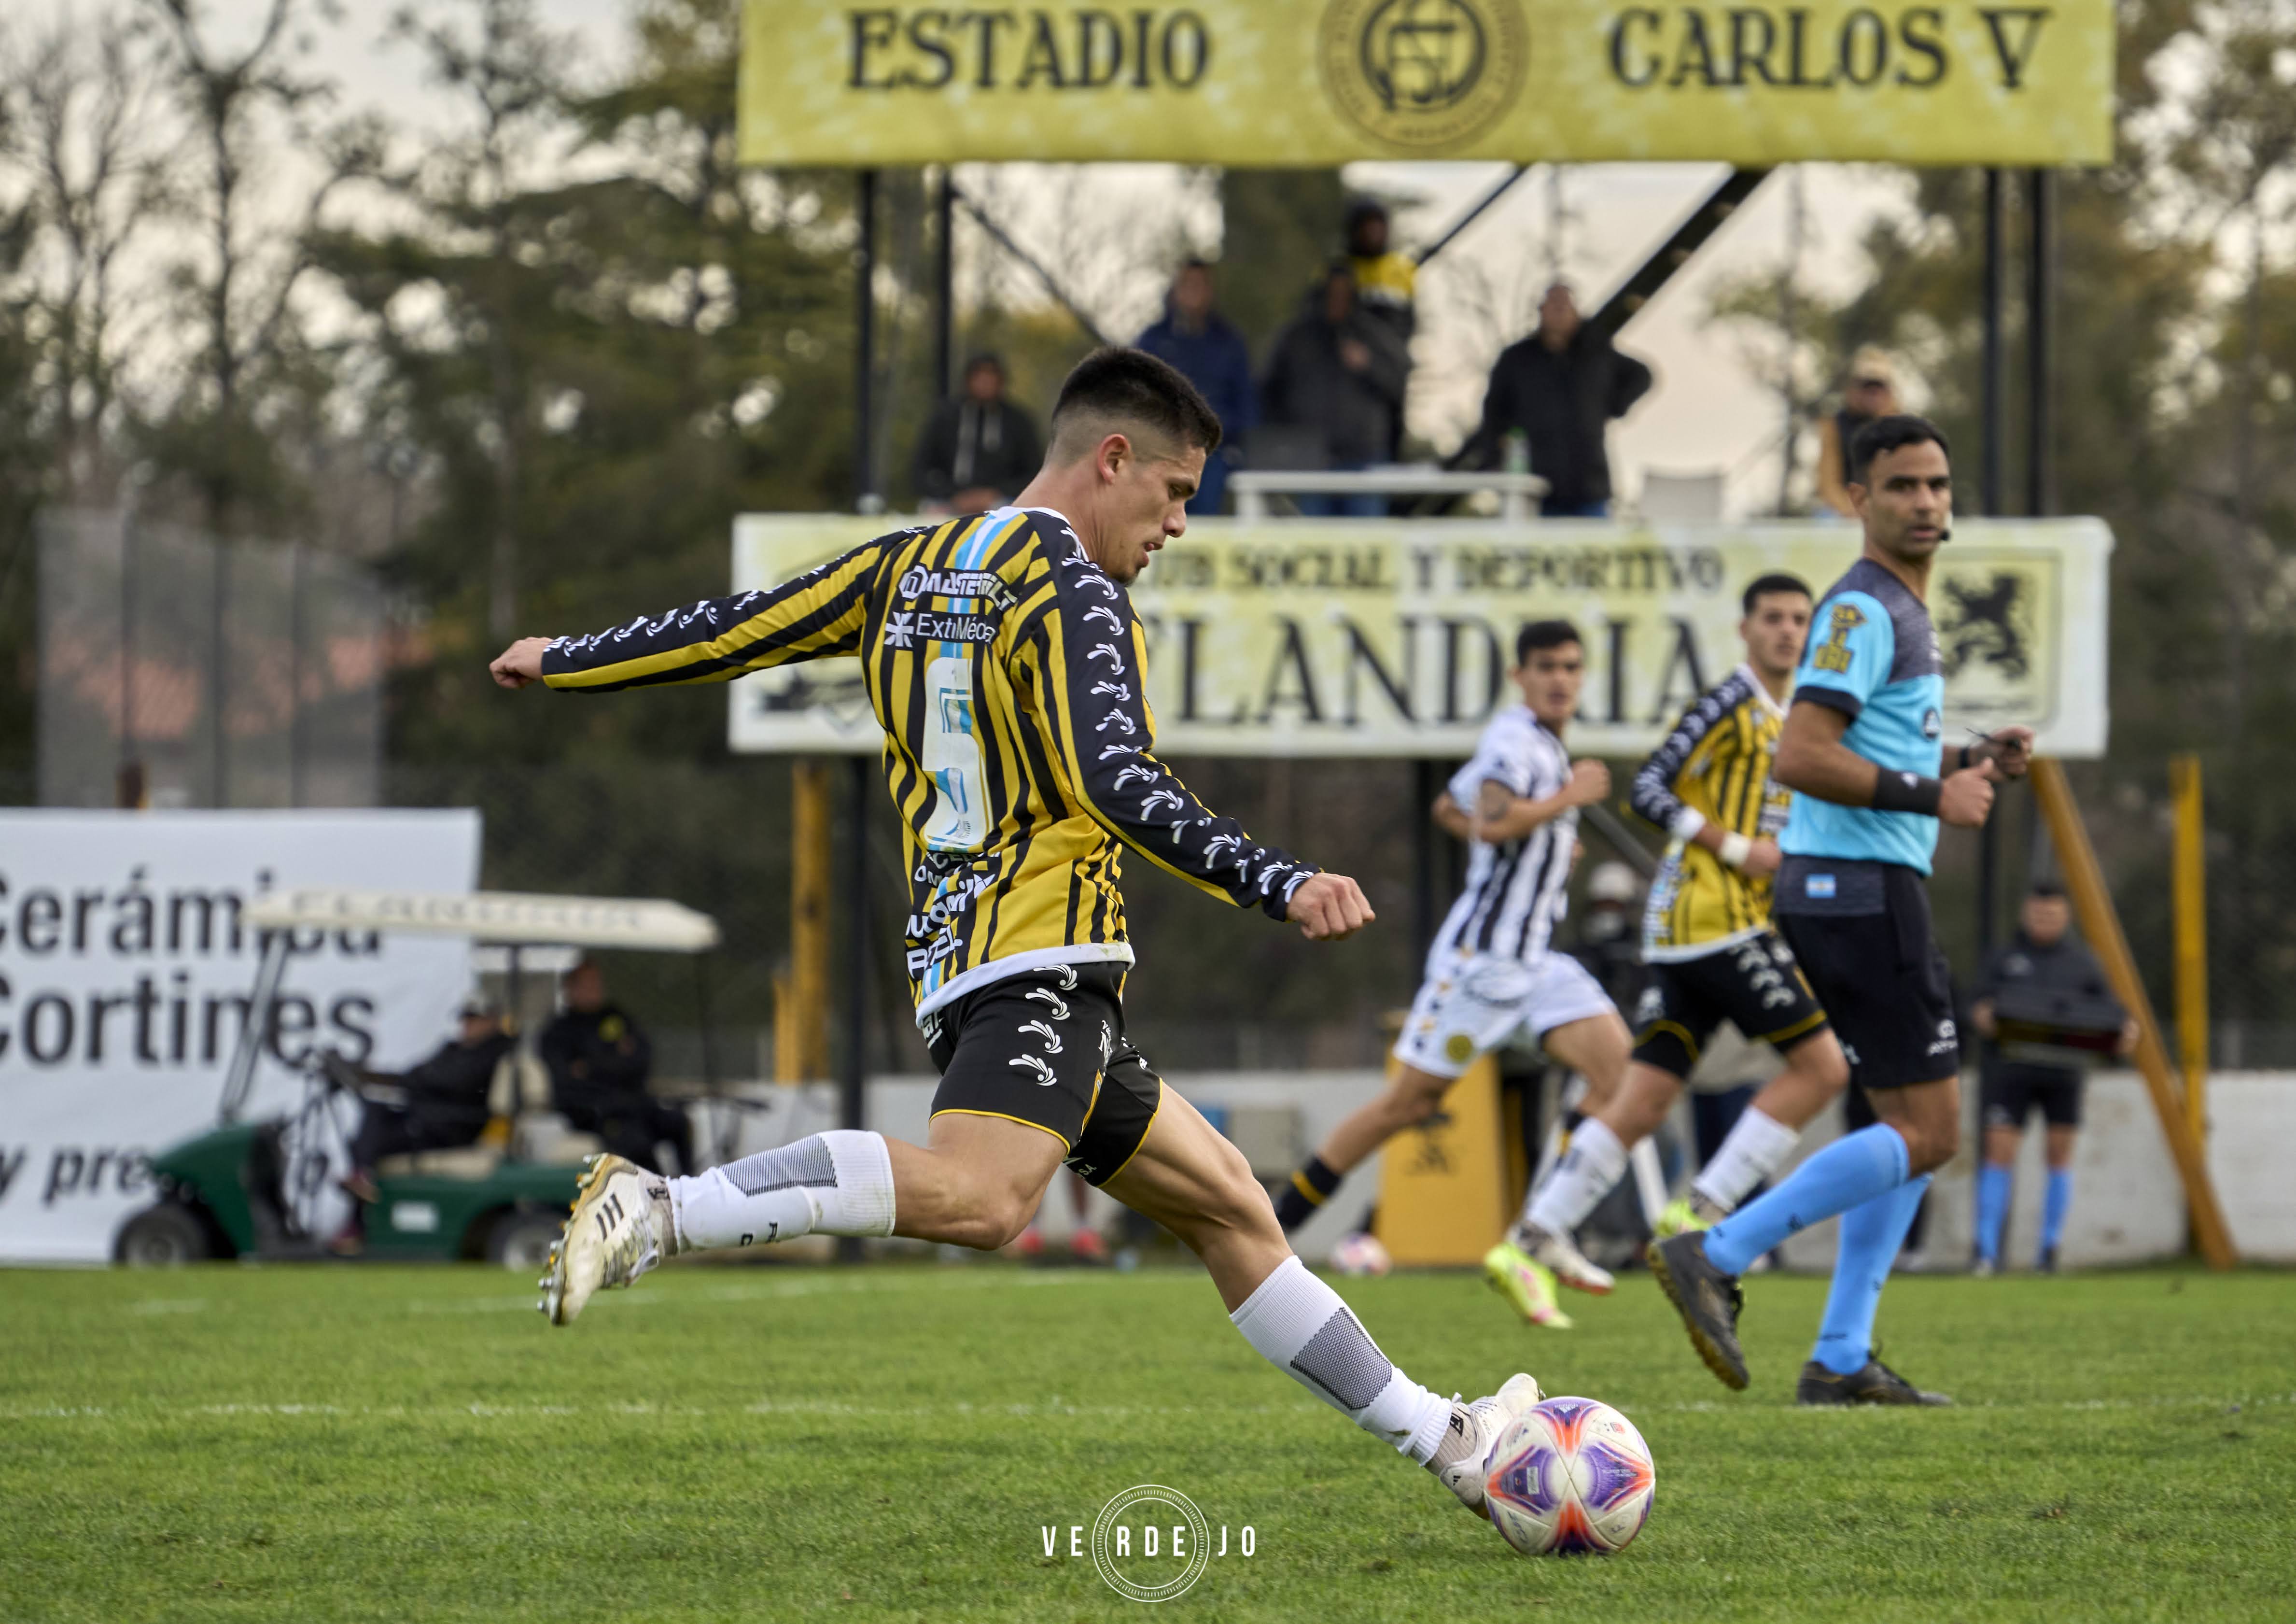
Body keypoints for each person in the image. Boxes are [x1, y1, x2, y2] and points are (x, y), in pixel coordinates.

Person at [489, 347, 1544, 1539]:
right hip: (1043, 959)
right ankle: (665, 1207)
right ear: (1110, 460)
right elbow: (1115, 779)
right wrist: (1276, 879)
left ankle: (1454, 1444)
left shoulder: (908, 561)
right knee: (990, 1203)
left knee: (1231, 1210)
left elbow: (738, 628)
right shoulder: (1078, 590)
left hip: (965, 958)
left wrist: (567, 657)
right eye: (1174, 491)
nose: (1179, 524)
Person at [1647, 415, 2033, 1406]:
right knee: (1932, 1128)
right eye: (1901, 485)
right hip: (1857, 892)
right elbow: (1801, 754)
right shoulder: (1865, 609)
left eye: (1937, 484)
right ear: (1858, 498)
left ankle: (1839, 1354)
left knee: (1908, 1119)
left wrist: (1963, 760)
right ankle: (1717, 1249)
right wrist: (1933, 797)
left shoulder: (1900, 608)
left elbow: (1867, 750)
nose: (1924, 502)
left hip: (1849, 888)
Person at [1503, 576, 1858, 1299]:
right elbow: (1650, 789)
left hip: (1690, 930)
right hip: (1711, 918)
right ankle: (1703, 1211)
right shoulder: (1731, 700)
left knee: (1644, 1097)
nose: (1788, 631)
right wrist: (1737, 848)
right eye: (1773, 618)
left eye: (1799, 619)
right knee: (1823, 1068)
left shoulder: (1797, 713)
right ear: (1745, 628)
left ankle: (1533, 1236)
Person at [1271, 622, 1631, 1332]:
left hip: (1538, 964)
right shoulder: (1515, 742)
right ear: (1518, 675)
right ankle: (1272, 1229)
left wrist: (1552, 843)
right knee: (1402, 1107)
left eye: (1571, 667)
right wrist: (1564, 803)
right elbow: (1493, 821)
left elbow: (1451, 808)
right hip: (1481, 968)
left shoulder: (1537, 745)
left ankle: (1539, 1233)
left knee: (1625, 1076)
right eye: (1547, 667)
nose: (1561, 678)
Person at [1969, 882, 2135, 1274]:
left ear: (2066, 916)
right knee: (1999, 1151)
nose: (2045, 921)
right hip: (2008, 1069)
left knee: (2060, 1153)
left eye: (2053, 914)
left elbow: (2112, 1013)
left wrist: (2124, 1032)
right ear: (2026, 913)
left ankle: (2049, 1249)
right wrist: (1980, 1014)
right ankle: (1986, 1252)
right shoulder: (2003, 958)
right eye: (2039, 913)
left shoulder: (2084, 962)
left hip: (2063, 1071)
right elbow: (1971, 1003)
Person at [1472, 283, 1652, 519]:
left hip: (1590, 484)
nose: (1558, 311)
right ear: (1541, 311)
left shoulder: (1595, 351)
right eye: (1552, 304)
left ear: (1575, 312)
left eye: (1564, 305)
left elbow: (1642, 376)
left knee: (1594, 550)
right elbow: (1493, 411)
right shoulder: (1518, 358)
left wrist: (1613, 408)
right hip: (1535, 485)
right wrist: (1494, 458)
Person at [1260, 264, 1409, 517]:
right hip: (1310, 461)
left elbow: (1398, 388)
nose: (1338, 300)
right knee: (1314, 543)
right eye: (1332, 293)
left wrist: (1369, 365)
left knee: (1366, 545)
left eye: (1344, 293)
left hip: (1365, 459)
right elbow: (1268, 392)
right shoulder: (1297, 337)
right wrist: (1286, 442)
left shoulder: (1373, 335)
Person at [339, 1000, 515, 1203]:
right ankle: (363, 1184)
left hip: (456, 1125)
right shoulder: (454, 1048)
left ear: (492, 1021)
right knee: (373, 1117)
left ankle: (364, 1196)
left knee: (377, 1140)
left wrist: (423, 1081)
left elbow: (457, 1081)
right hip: (430, 1118)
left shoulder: (496, 1051)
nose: (467, 1025)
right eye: (466, 1019)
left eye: (474, 1019)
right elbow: (416, 1074)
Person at [539, 957, 695, 1177]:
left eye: (598, 983)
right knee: (638, 1144)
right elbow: (567, 1079)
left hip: (634, 1104)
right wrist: (616, 1059)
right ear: (570, 989)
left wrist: (592, 1066)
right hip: (594, 1111)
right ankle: (660, 1197)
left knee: (678, 1123)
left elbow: (642, 1057)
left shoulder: (615, 1016)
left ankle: (689, 1184)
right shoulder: (558, 1030)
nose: (596, 989)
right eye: (588, 984)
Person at [1133, 259, 1255, 516]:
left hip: (1214, 453)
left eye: (1200, 285)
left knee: (1204, 525)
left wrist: (1231, 441)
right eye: (1188, 285)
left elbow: (1246, 400)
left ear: (1210, 291)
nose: (1194, 292)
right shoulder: (1153, 339)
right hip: (1162, 451)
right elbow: (1134, 395)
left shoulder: (1229, 341)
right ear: (1175, 290)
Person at [911, 353, 1043, 514]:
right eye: (979, 376)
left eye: (991, 376)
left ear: (1001, 381)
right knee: (929, 512)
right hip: (949, 501)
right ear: (968, 380)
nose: (985, 383)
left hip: (1003, 503)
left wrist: (995, 494)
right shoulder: (945, 418)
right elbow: (921, 469)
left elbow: (1034, 472)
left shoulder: (1018, 422)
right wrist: (952, 495)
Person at [1813, 348, 1902, 520]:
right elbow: (1828, 482)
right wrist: (1849, 509)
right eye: (1867, 386)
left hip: (1890, 506)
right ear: (1854, 388)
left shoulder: (1903, 426)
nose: (1873, 393)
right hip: (1845, 509)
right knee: (1824, 518)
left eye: (1879, 386)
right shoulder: (1835, 426)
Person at [1344, 198, 1415, 344]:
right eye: (1367, 226)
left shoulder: (1403, 268)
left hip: (1389, 356)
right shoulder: (1341, 270)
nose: (1373, 233)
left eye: (1378, 226)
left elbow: (1410, 321)